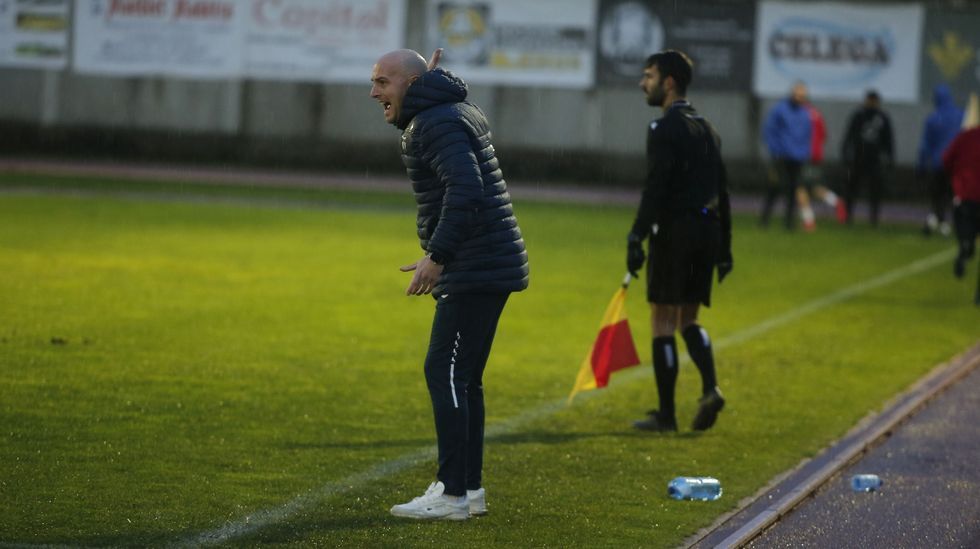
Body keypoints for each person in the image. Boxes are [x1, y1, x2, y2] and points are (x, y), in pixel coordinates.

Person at [369, 49, 529, 520]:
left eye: (383, 82)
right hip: (487, 261)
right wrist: (421, 84)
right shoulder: (446, 109)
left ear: (411, 83)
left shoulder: (435, 120)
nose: (374, 92)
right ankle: (468, 489)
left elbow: (466, 189)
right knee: (464, 378)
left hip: (475, 265)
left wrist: (437, 256)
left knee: (444, 371)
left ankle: (452, 493)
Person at [626, 50, 732, 432]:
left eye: (649, 76)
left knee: (662, 319)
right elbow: (722, 191)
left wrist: (637, 235)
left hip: (675, 232)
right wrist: (725, 248)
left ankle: (667, 415)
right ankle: (710, 388)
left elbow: (656, 187)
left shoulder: (663, 129)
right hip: (708, 232)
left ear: (668, 82)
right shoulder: (708, 129)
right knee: (689, 317)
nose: (643, 83)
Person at [760, 81, 811, 230]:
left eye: (802, 95)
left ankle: (788, 221)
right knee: (775, 187)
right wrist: (775, 150)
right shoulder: (780, 110)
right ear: (792, 94)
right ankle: (765, 219)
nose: (799, 98)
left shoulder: (805, 113)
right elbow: (769, 130)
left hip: (797, 157)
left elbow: (806, 135)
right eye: (797, 94)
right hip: (781, 156)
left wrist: (804, 152)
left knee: (793, 190)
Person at [841, 90, 894, 226]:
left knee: (875, 189)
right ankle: (848, 216)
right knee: (852, 188)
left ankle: (874, 218)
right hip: (858, 158)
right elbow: (849, 135)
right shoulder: (858, 116)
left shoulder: (882, 118)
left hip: (875, 160)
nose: (871, 103)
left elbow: (888, 140)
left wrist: (889, 158)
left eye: (873, 101)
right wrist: (846, 154)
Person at [917, 84, 963, 237]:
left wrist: (921, 166)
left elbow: (925, 145)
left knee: (938, 195)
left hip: (939, 163)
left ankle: (938, 221)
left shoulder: (933, 119)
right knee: (957, 195)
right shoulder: (961, 115)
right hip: (958, 164)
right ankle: (956, 223)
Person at [942, 125, 980, 304]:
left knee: (966, 234)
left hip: (965, 195)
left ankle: (965, 248)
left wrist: (957, 177)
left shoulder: (966, 137)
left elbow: (946, 159)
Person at [797, 99, 846, 231]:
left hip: (804, 155)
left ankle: (809, 221)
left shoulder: (801, 115)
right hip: (816, 156)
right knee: (814, 186)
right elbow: (824, 136)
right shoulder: (816, 114)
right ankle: (836, 201)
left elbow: (798, 136)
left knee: (800, 188)